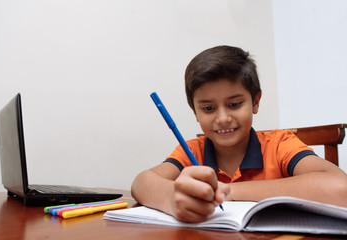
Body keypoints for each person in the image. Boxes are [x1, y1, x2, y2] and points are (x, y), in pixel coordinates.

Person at [131, 45, 347, 223]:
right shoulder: (192, 151)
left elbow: (341, 188)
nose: (223, 118)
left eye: (234, 104)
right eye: (208, 108)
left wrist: (230, 191)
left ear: (255, 101)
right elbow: (141, 183)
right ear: (194, 111)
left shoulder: (280, 144)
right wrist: (171, 200)